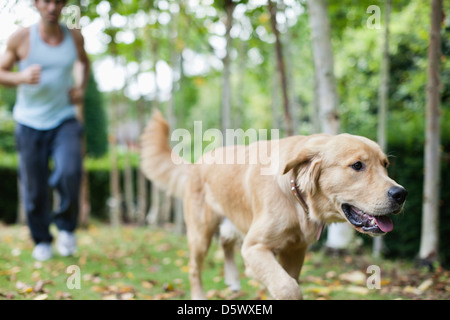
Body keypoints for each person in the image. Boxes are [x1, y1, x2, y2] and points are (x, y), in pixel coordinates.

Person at [0, 0, 90, 261]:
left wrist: (81, 88)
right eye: (46, 1)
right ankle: (41, 240)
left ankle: (66, 228)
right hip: (29, 122)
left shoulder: (73, 37)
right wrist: (20, 77)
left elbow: (84, 63)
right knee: (34, 186)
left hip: (64, 119)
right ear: (36, 4)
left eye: (58, 1)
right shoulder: (22, 38)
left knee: (70, 170)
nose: (52, 7)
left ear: (63, 5)